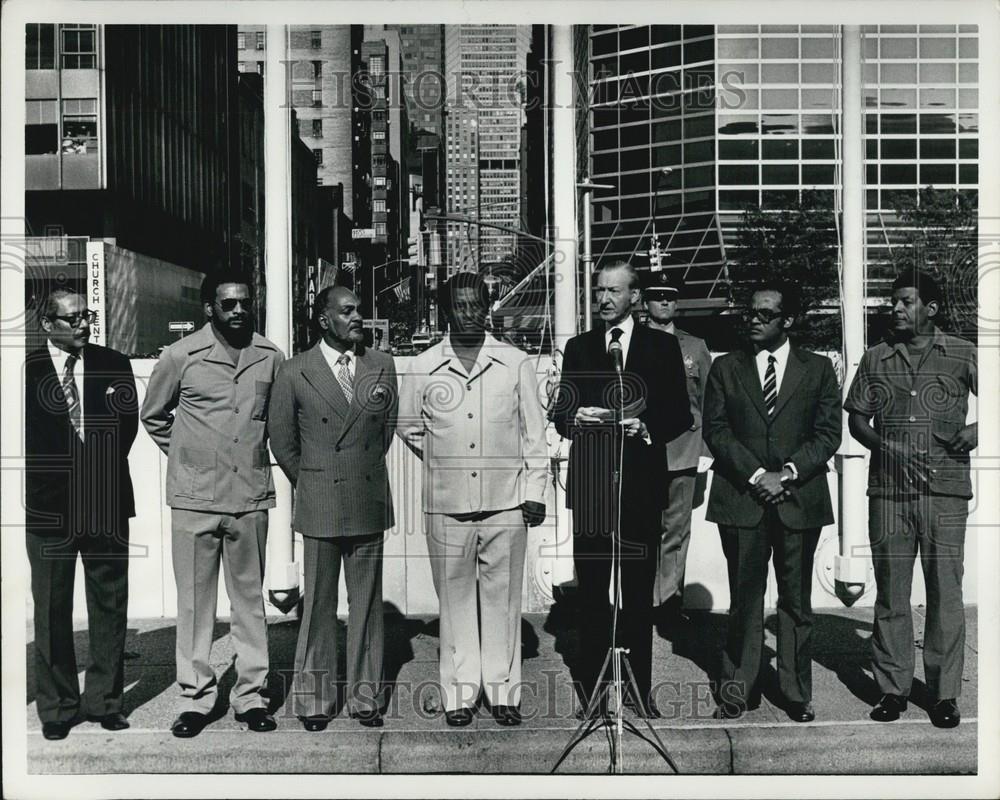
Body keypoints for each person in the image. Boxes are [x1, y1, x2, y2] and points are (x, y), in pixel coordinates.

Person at [397, 272, 547, 727]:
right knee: (456, 602)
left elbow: (534, 436)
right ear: (445, 311)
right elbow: (409, 425)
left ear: (487, 308)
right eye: (459, 306)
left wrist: (533, 492)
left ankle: (503, 692)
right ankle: (459, 695)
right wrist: (450, 456)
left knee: (502, 603)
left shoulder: (516, 362)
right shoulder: (422, 367)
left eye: (476, 304)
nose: (469, 313)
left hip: (506, 505)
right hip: (446, 506)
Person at [141, 271, 284, 738]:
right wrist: (193, 461)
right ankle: (197, 699)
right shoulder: (180, 355)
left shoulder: (269, 356)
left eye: (245, 302)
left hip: (249, 497)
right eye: (228, 304)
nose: (239, 310)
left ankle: (251, 697)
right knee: (195, 605)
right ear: (210, 309)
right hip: (194, 500)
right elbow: (154, 416)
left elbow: (276, 421)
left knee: (250, 603)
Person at [551, 261, 692, 719]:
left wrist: (644, 425)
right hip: (592, 485)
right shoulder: (579, 347)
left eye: (614, 291)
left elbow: (679, 415)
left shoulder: (661, 347)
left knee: (636, 594)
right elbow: (561, 414)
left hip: (640, 486)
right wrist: (577, 419)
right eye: (599, 291)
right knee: (592, 594)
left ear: (635, 296)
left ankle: (638, 688)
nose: (604, 299)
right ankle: (592, 690)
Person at [702, 281, 841, 723]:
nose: (755, 320)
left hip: (799, 499)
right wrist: (759, 474)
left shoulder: (818, 369)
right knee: (745, 598)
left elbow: (828, 433)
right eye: (751, 312)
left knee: (796, 600)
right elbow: (716, 429)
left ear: (788, 320)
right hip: (742, 498)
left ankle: (796, 691)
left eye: (766, 314)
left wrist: (789, 472)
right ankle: (738, 689)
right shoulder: (726, 367)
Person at [845, 270, 976, 729]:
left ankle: (943, 695)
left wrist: (977, 431)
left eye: (905, 302)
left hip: (945, 493)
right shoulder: (877, 358)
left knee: (945, 594)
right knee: (892, 594)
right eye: (894, 302)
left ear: (931, 308)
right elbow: (858, 421)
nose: (896, 309)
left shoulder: (962, 353)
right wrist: (889, 446)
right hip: (889, 494)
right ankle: (892, 690)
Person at [268, 286, 398, 730]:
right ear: (324, 320)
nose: (357, 316)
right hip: (321, 500)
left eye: (359, 309)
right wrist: (314, 480)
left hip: (366, 496)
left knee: (366, 605)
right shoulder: (294, 371)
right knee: (319, 606)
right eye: (347, 311)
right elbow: (283, 442)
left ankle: (366, 699)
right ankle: (315, 701)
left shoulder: (382, 365)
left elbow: (385, 432)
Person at [25, 288, 138, 740]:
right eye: (72, 319)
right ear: (47, 324)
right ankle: (57, 708)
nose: (83, 324)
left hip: (105, 503)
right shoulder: (25, 371)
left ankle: (105, 702)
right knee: (52, 610)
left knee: (110, 604)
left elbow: (126, 428)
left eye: (86, 316)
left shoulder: (114, 363)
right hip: (49, 509)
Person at [642, 272, 713, 625]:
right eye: (657, 296)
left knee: (676, 528)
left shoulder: (695, 346)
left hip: (685, 449)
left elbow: (710, 399)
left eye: (670, 296)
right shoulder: (632, 343)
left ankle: (668, 601)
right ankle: (640, 599)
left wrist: (707, 450)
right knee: (642, 526)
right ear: (645, 302)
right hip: (641, 448)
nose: (665, 302)